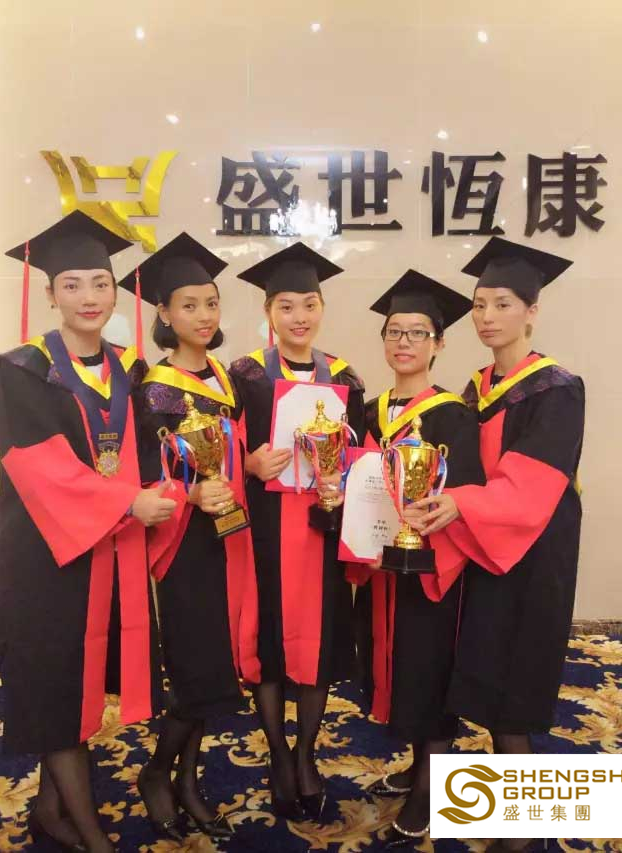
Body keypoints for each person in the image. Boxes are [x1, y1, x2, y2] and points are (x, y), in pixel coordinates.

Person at [0, 210, 174, 852]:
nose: (89, 297)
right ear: (49, 294)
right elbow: (40, 470)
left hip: (107, 552)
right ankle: (92, 835)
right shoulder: (17, 371)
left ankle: (49, 811)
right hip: (42, 559)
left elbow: (157, 451)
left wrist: (175, 487)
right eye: (72, 285)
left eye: (100, 283)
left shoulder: (132, 371)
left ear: (116, 291)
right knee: (57, 687)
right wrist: (128, 504)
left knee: (78, 684)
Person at [409, 238, 585, 853]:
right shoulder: (475, 387)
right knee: (484, 671)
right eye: (480, 304)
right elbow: (458, 467)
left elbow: (531, 483)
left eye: (502, 304)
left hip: (533, 552)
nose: (486, 316)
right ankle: (497, 810)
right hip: (483, 547)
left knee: (514, 686)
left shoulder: (557, 388)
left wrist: (462, 503)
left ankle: (525, 832)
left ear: (531, 311)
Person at [119, 234, 260, 841]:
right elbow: (141, 473)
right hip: (184, 544)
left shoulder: (224, 378)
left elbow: (228, 458)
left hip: (227, 537)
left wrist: (248, 466)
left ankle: (185, 780)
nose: (204, 316)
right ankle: (158, 773)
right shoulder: (154, 388)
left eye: (211, 303)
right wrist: (189, 495)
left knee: (213, 668)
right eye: (189, 305)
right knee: (196, 665)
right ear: (164, 313)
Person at [346, 270, 484, 846]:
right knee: (398, 669)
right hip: (382, 568)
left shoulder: (452, 415)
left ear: (439, 343)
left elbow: (467, 493)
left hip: (431, 571)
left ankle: (431, 789)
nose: (404, 342)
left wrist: (432, 523)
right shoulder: (369, 411)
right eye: (394, 331)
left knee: (429, 672)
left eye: (418, 333)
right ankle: (415, 765)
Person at [229, 242, 365, 821]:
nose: (299, 317)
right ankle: (277, 751)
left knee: (319, 643)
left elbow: (362, 451)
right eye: (286, 306)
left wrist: (344, 476)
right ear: (268, 312)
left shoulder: (346, 378)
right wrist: (248, 463)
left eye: (309, 304)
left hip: (320, 530)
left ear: (322, 308)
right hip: (265, 530)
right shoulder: (243, 376)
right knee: (268, 642)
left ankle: (306, 752)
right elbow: (223, 450)